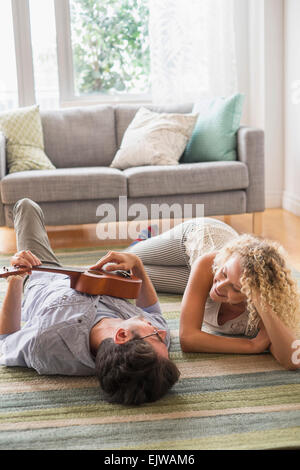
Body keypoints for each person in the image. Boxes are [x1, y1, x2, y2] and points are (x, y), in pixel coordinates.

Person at [0, 198, 180, 406]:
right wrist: (137, 266)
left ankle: (141, 244)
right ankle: (138, 248)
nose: (164, 332)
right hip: (101, 278)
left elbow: (5, 341)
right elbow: (153, 312)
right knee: (128, 259)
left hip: (43, 272)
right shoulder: (152, 350)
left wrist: (16, 279)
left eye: (156, 336)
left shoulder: (48, 345)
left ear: (121, 335)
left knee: (26, 205)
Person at [127, 217, 300, 371]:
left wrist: (263, 306)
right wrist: (251, 345)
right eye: (224, 274)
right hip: (199, 238)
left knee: (131, 276)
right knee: (126, 261)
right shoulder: (209, 264)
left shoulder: (261, 304)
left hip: (199, 278)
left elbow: (292, 360)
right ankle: (144, 239)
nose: (220, 287)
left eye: (236, 288)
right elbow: (187, 338)